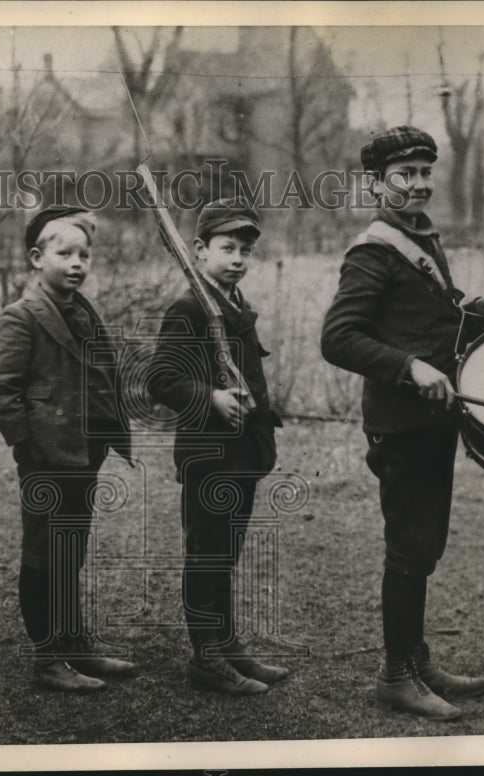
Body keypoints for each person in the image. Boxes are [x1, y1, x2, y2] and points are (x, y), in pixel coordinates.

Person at [320, 126, 484, 721]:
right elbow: (339, 338)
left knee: (424, 545)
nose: (419, 184)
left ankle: (416, 659)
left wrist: (472, 314)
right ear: (376, 184)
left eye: (426, 172)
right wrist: (408, 366)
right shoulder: (373, 252)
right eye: (405, 175)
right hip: (401, 424)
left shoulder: (422, 239)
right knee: (409, 548)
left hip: (432, 419)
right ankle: (395, 676)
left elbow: (424, 320)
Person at [0, 206, 135, 692]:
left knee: (70, 551)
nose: (76, 263)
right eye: (64, 253)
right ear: (35, 258)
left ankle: (74, 645)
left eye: (84, 254)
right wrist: (29, 444)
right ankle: (47, 659)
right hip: (46, 460)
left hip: (82, 454)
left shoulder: (83, 310)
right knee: (44, 553)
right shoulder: (23, 316)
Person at [148, 198, 287, 696]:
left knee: (226, 553)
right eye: (227, 248)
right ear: (200, 250)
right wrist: (209, 397)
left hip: (243, 454)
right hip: (209, 457)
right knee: (206, 553)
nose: (238, 259)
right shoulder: (188, 309)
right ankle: (205, 657)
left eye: (245, 250)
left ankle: (228, 645)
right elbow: (161, 379)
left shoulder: (234, 305)